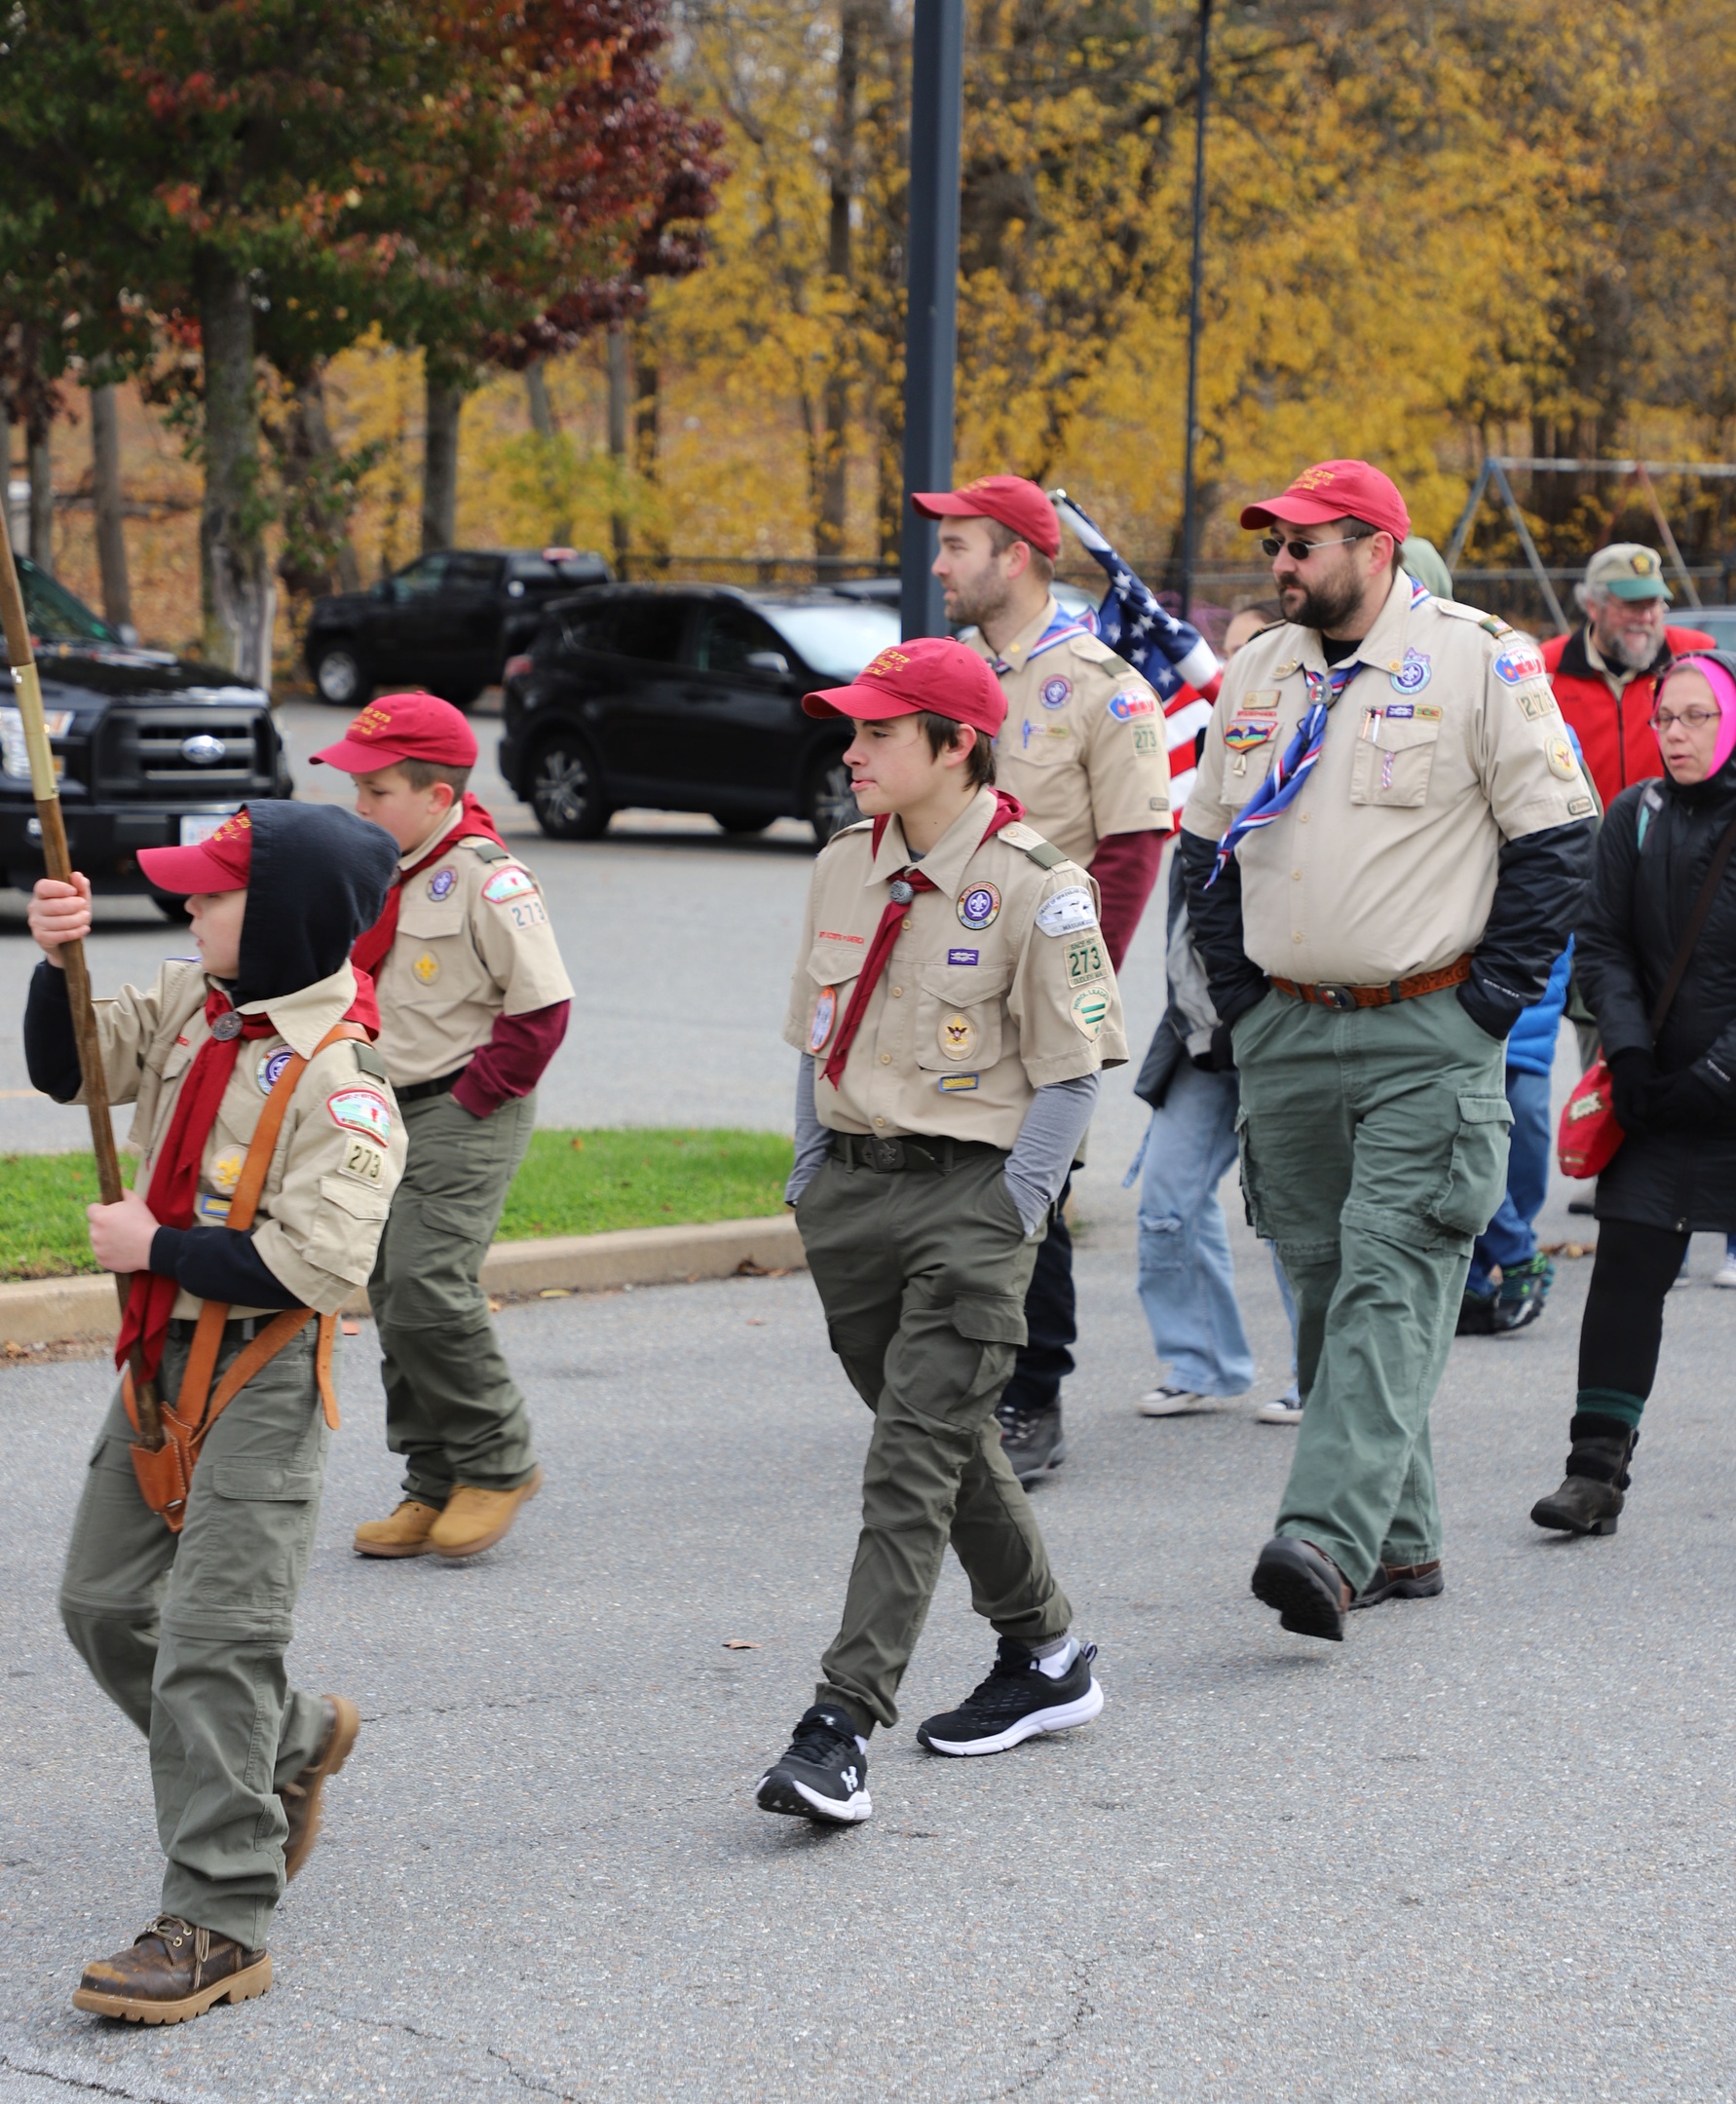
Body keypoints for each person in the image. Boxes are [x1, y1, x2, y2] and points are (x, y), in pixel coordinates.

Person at [1180, 457, 1596, 1640]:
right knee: (1321, 1282)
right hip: (1289, 1030)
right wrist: (1246, 1002)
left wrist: (1490, 1005)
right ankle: (1405, 1539)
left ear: (1375, 546)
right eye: (1276, 544)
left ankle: (1326, 1537)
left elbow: (1560, 838)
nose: (1281, 563)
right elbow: (1203, 848)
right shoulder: (1260, 669)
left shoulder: (1478, 657)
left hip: (1429, 1027)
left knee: (1390, 1274)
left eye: (1303, 544)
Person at [27, 803, 403, 2024]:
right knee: (100, 1608)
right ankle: (284, 1741)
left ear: (285, 915)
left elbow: (317, 1266)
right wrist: (56, 960)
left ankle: (221, 1916)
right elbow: (67, 1067)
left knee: (212, 1642)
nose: (188, 909)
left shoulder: (344, 1082)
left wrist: (159, 1244)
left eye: (213, 892)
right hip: (156, 1359)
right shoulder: (200, 1003)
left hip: (258, 1369)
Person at [757, 635, 1125, 1823]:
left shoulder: (1036, 881)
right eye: (851, 729)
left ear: (956, 744)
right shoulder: (840, 864)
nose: (852, 750)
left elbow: (1074, 1073)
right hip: (855, 1195)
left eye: (877, 732)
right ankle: (1049, 1654)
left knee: (907, 1467)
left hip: (971, 1201)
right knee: (946, 1441)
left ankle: (838, 1728)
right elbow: (819, 1034)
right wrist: (814, 1170)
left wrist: (1011, 1212)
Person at [917, 474, 1170, 1484]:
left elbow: (1132, 847)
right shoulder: (942, 679)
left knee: (1029, 1188)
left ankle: (1033, 1395)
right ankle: (958, 1379)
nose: (939, 565)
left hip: (1039, 989)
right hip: (937, 984)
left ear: (1015, 555)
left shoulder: (1105, 683)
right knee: (940, 1180)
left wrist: (1070, 980)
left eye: (958, 546)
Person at [310, 695, 573, 1561]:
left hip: (467, 1101)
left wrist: (471, 1101)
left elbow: (542, 1008)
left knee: (429, 1283)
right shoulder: (383, 866)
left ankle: (499, 1461)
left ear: (434, 793)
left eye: (376, 790)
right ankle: (432, 1480)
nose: (361, 807)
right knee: (392, 1292)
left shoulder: (487, 877)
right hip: (388, 1105)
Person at [1531, 654, 1736, 1536]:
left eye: (1698, 718)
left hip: (1719, 1085)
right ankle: (1594, 1475)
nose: (1678, 735)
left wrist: (1716, 1077)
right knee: (1624, 1272)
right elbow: (1602, 940)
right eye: (1667, 720)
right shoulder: (1632, 815)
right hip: (1656, 1092)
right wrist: (1629, 1052)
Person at [1126, 594, 1304, 1425]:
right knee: (1166, 1198)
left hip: (1285, 1033)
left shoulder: (1312, 767)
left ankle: (1323, 1376)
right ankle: (1201, 1362)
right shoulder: (1205, 777)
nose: (1226, 673)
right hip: (1202, 1036)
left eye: (1249, 652)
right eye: (1222, 654)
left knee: (1300, 1218)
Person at [1542, 544, 1714, 808]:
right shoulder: (1548, 670)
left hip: (1676, 840)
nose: (1645, 617)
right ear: (1593, 606)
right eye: (1632, 605)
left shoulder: (1697, 657)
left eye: (1654, 604)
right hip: (1586, 841)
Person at [1457, 942, 1570, 1334]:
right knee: (1468, 1146)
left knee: (1525, 1158)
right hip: (1460, 1021)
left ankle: (1478, 1273)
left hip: (1528, 1016)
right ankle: (1513, 1259)